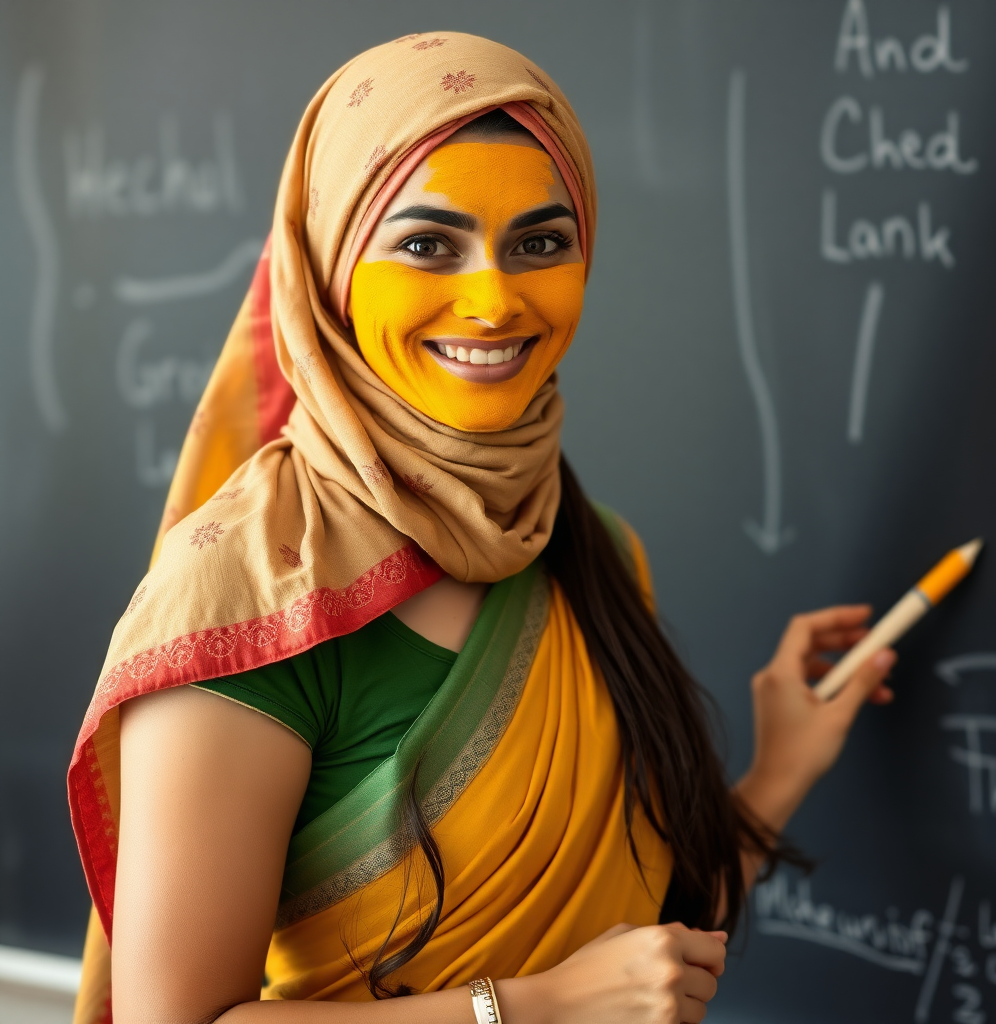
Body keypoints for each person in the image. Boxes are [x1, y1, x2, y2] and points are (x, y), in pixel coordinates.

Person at [68, 32, 896, 1024]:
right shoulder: (245, 594)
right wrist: (522, 1009)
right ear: (329, 263)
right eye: (426, 244)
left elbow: (641, 967)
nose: (495, 299)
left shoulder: (589, 548)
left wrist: (778, 773)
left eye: (540, 243)